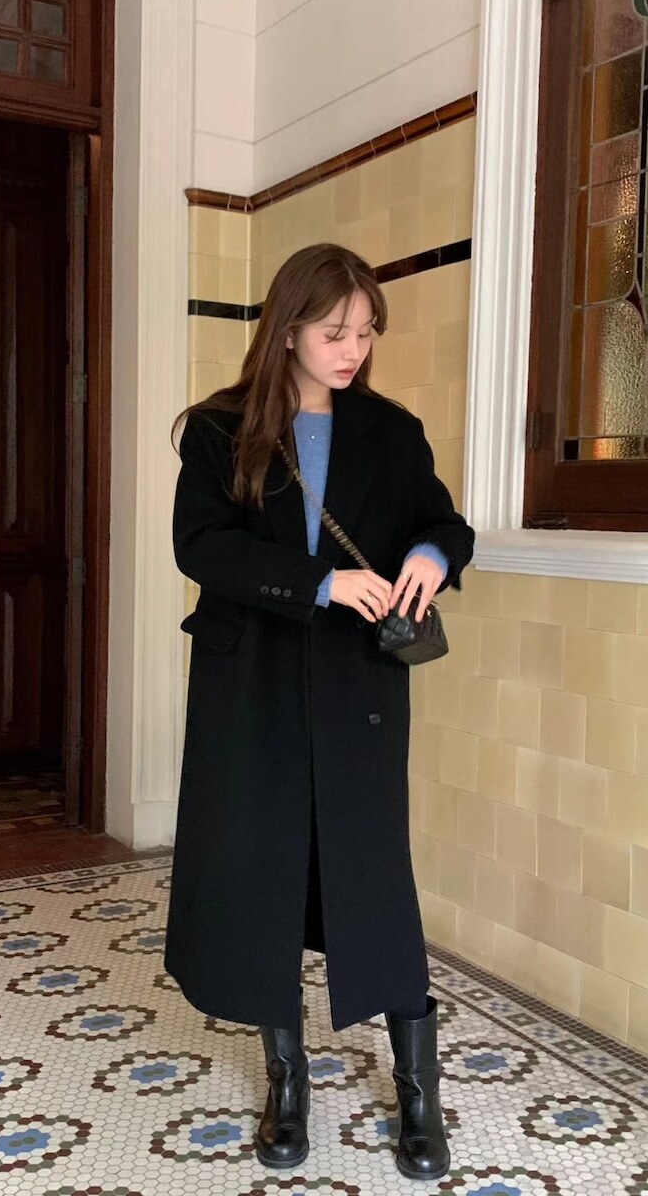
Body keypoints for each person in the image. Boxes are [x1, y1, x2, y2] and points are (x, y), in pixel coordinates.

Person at [164, 242, 475, 1180]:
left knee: (374, 874)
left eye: (367, 332)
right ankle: (287, 1082)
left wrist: (430, 557)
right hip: (250, 678)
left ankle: (418, 1093)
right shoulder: (219, 430)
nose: (353, 349)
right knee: (263, 872)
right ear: (289, 326)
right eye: (336, 331)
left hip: (356, 683)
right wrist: (320, 582)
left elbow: (444, 522)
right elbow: (202, 547)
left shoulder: (391, 430)